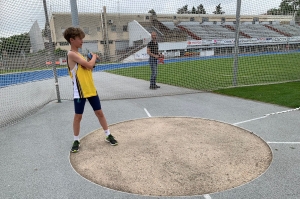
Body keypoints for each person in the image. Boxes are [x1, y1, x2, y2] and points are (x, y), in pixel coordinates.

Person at [63, 27, 118, 153]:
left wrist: (90, 61)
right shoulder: (71, 54)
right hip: (80, 92)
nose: (82, 41)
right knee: (78, 116)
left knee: (100, 113)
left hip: (91, 89)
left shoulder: (80, 55)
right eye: (79, 39)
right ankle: (76, 140)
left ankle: (108, 134)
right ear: (72, 40)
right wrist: (93, 57)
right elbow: (89, 65)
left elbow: (89, 69)